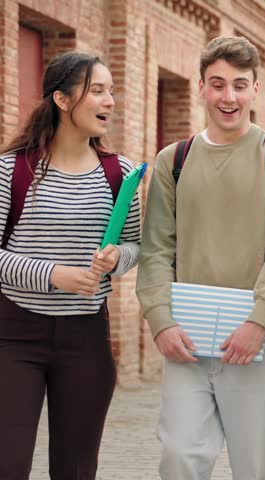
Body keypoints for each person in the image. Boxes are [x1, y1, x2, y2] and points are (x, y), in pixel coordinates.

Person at [136, 36, 265, 480]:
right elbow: (156, 247)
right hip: (186, 338)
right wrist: (160, 320)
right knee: (179, 457)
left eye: (239, 85)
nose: (228, 97)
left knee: (252, 466)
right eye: (217, 84)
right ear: (201, 88)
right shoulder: (174, 160)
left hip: (256, 340)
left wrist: (258, 320)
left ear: (255, 90)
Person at [0, 52, 141, 479]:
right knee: (8, 465)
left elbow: (136, 244)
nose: (110, 101)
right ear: (62, 100)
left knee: (77, 470)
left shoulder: (121, 173)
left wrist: (118, 258)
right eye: (97, 91)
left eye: (111, 91)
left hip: (87, 338)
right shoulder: (12, 170)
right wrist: (53, 275)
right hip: (12, 336)